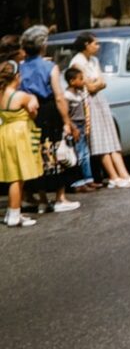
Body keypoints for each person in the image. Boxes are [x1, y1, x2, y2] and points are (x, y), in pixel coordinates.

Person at [70, 32, 130, 188]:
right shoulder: (77, 62)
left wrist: (96, 83)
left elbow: (102, 82)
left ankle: (125, 175)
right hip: (88, 102)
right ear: (86, 45)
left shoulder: (94, 60)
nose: (98, 46)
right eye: (95, 43)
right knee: (100, 140)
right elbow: (88, 86)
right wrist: (95, 83)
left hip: (100, 100)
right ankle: (113, 176)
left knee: (111, 137)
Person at [20, 26, 81, 212]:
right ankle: (60, 197)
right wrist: (66, 122)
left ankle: (42, 199)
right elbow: (59, 96)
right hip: (48, 110)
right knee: (56, 153)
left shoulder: (20, 67)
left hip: (30, 112)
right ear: (43, 45)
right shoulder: (50, 67)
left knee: (38, 154)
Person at [1, 61, 41, 227]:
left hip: (5, 133)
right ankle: (14, 215)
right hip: (20, 135)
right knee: (17, 177)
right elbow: (33, 114)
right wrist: (33, 99)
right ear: (16, 77)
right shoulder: (21, 96)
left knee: (13, 174)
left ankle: (12, 211)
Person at [64, 67, 100, 193]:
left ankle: (88, 179)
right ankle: (79, 182)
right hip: (75, 127)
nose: (83, 81)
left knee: (85, 154)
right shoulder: (67, 95)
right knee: (77, 155)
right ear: (72, 81)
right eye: (80, 79)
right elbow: (66, 114)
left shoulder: (79, 94)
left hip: (82, 125)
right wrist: (72, 128)